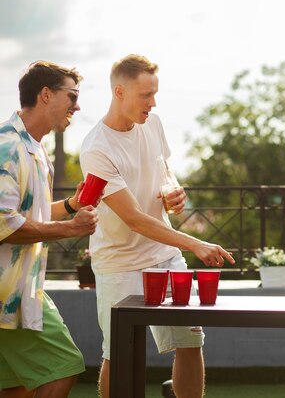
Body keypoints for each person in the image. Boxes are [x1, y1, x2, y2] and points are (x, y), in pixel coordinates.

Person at [80, 54, 235, 398]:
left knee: (190, 342)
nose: (152, 103)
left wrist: (171, 190)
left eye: (155, 94)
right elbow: (133, 218)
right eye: (145, 95)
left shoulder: (153, 123)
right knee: (117, 355)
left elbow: (163, 168)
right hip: (119, 264)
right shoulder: (96, 149)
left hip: (165, 257)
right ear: (119, 92)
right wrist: (194, 243)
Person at [0, 62, 99, 397]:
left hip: (18, 288)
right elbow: (5, 225)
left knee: (16, 387)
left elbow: (30, 214)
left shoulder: (36, 148)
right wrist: (71, 229)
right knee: (63, 367)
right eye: (71, 96)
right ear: (45, 95)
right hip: (7, 292)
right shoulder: (7, 146)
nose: (78, 105)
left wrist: (69, 206)